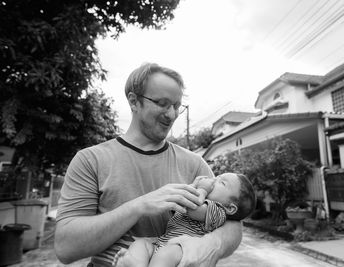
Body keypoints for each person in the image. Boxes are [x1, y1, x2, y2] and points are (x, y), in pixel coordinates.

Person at [55, 63, 243, 267]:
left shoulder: (195, 164)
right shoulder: (90, 160)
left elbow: (232, 223)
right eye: (162, 103)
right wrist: (138, 207)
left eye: (176, 106)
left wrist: (212, 246)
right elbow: (66, 247)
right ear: (134, 101)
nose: (171, 114)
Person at [113, 173, 256, 267]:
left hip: (180, 250)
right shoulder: (204, 200)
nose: (214, 180)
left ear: (230, 208)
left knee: (165, 254)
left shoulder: (217, 211)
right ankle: (135, 262)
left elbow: (191, 207)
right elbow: (180, 203)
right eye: (217, 177)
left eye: (222, 183)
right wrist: (194, 187)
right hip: (163, 243)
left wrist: (202, 189)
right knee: (141, 243)